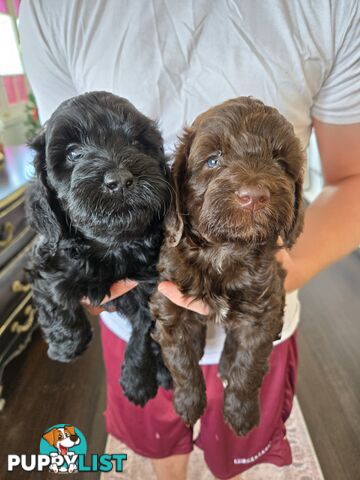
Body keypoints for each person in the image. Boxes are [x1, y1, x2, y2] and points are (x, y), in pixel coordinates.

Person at [19, 1, 360, 479]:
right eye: (216, 162)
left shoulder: (336, 8)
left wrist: (272, 275)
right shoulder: (50, 9)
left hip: (260, 317)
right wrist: (92, 274)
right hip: (138, 316)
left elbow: (353, 179)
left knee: (238, 448)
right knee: (162, 449)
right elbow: (63, 168)